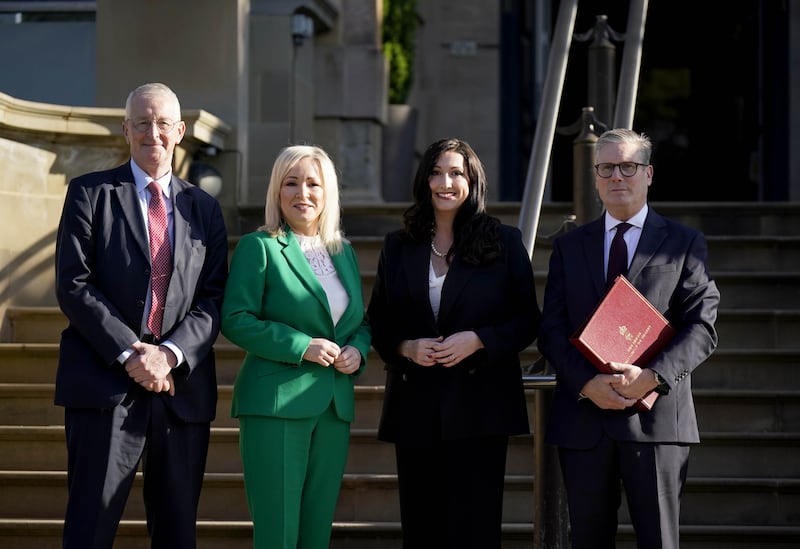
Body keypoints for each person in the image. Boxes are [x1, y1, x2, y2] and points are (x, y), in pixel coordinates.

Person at [54, 82, 229, 549]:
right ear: (125, 129)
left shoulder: (205, 209)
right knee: (90, 528)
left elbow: (213, 298)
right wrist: (133, 352)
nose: (154, 133)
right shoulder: (89, 194)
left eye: (163, 123)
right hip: (104, 384)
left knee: (176, 533)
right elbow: (73, 284)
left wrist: (167, 356)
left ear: (181, 131)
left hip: (179, 390)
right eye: (143, 123)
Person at [538, 128, 720, 548]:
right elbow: (551, 328)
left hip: (657, 422)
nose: (617, 176)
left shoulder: (684, 243)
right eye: (606, 168)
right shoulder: (569, 246)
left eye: (628, 166)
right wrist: (586, 383)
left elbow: (702, 326)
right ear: (595, 177)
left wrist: (652, 376)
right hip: (584, 421)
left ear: (649, 173)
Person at [367, 137, 540, 548]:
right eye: (436, 172)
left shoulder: (506, 242)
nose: (445, 182)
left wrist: (479, 339)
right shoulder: (398, 245)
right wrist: (406, 348)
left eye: (456, 173)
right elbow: (379, 320)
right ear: (424, 179)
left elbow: (528, 320)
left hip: (480, 407)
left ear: (471, 180)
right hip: (415, 408)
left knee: (475, 531)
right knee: (421, 530)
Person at [220, 144, 371, 549]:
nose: (302, 193)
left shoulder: (344, 252)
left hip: (334, 404)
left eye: (312, 183)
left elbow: (359, 323)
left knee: (315, 529)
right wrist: (301, 345)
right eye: (291, 183)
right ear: (277, 191)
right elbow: (235, 319)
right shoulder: (260, 246)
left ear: (328, 193)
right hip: (276, 403)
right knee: (278, 530)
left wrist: (358, 351)